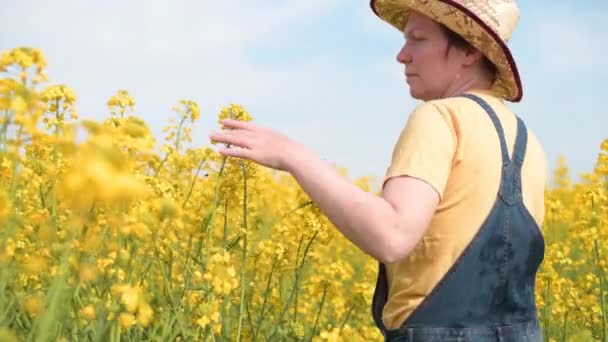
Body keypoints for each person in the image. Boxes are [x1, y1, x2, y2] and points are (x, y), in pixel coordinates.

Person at [209, 0, 547, 340]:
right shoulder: (526, 139)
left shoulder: (442, 117)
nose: (402, 55)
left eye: (418, 38)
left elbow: (392, 235)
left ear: (470, 51)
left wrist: (293, 156)